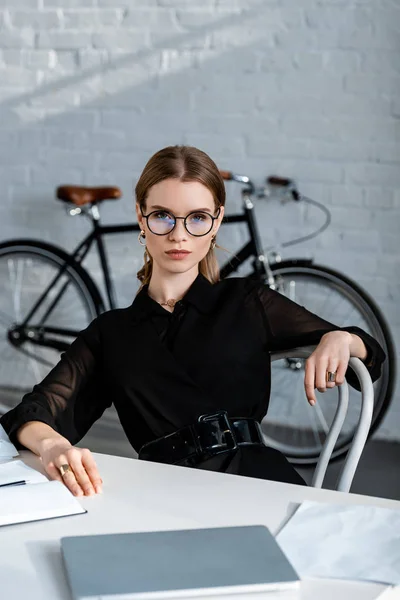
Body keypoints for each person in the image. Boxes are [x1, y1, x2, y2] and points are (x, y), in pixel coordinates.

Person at [0, 146, 385, 497]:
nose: (179, 235)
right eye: (163, 217)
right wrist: (53, 444)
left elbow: (370, 354)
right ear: (140, 216)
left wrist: (340, 338)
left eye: (197, 218)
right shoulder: (111, 333)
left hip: (259, 485)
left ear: (217, 221)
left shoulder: (247, 301)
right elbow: (31, 415)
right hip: (165, 495)